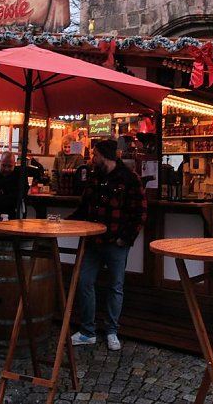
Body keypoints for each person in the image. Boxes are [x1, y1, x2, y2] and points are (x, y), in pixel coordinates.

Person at [69, 139, 147, 351]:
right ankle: (87, 331)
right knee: (84, 282)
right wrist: (65, 223)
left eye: (94, 155)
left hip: (116, 242)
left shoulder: (129, 178)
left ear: (104, 156)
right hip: (93, 241)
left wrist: (126, 238)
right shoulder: (94, 177)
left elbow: (140, 212)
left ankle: (112, 331)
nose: (92, 158)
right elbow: (84, 208)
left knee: (115, 286)